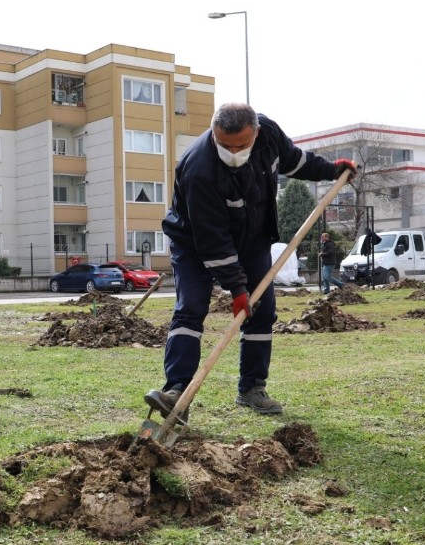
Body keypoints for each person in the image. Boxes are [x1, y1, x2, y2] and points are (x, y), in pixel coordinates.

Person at [144, 103, 357, 418]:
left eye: (240, 145)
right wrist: (237, 289)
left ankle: (252, 388)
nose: (232, 152)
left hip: (253, 237)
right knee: (190, 308)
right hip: (194, 242)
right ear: (214, 134)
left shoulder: (268, 133)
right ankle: (177, 390)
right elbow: (212, 242)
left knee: (262, 310)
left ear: (255, 132)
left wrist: (331, 170)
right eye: (224, 145)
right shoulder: (199, 168)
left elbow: (296, 162)